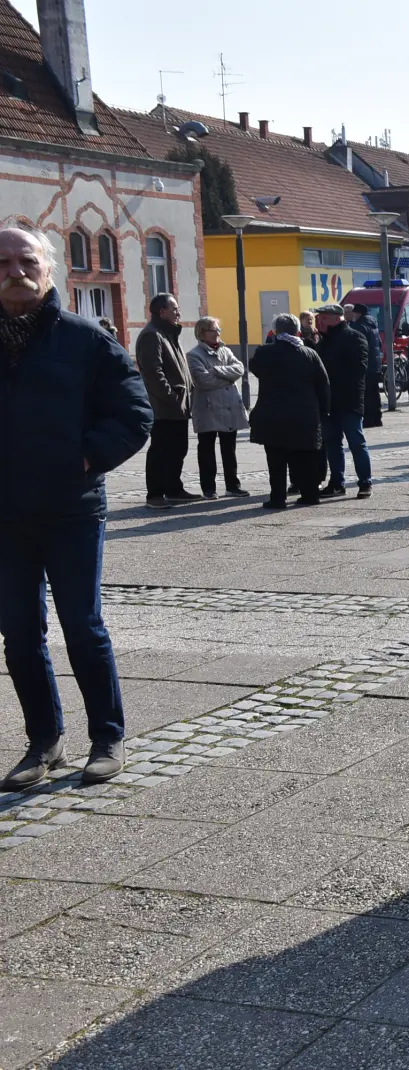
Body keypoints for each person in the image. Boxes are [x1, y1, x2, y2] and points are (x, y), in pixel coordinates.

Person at [0, 226, 152, 790]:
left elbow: (134, 413)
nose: (15, 270)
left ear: (48, 269)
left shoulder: (84, 338)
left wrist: (85, 459)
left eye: (26, 260)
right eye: (3, 262)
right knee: (18, 633)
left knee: (82, 626)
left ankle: (106, 736)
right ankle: (44, 742)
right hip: (5, 516)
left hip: (70, 509)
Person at [249, 315, 330, 509]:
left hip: (273, 415)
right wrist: (324, 410)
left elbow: (254, 367)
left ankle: (278, 498)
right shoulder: (309, 353)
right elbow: (323, 383)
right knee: (306, 457)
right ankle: (310, 495)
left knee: (276, 459)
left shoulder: (265, 352)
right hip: (305, 415)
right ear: (297, 331)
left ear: (276, 331)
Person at [135, 292, 197, 508]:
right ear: (162, 312)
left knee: (178, 449)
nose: (178, 312)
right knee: (161, 451)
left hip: (178, 405)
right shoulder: (152, 335)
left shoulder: (169, 333)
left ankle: (173, 489)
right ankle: (155, 494)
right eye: (174, 309)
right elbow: (154, 373)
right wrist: (171, 397)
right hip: (164, 406)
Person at [313, 303, 372, 499]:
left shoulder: (355, 337)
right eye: (318, 318)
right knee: (332, 444)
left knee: (356, 442)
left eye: (323, 318)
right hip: (328, 403)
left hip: (349, 401)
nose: (319, 322)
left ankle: (365, 482)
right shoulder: (322, 342)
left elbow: (359, 370)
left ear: (337, 318)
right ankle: (337, 483)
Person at [187, 316, 250, 499]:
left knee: (229, 449)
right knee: (206, 449)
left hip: (229, 406)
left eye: (218, 330)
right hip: (208, 408)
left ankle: (233, 485)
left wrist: (217, 371)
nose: (218, 334)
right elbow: (202, 380)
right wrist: (227, 375)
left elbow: (239, 369)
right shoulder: (194, 355)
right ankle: (208, 488)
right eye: (214, 330)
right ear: (202, 333)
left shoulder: (225, 351)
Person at [347, 304, 385, 429]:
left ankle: (368, 420)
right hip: (376, 364)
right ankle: (377, 418)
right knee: (375, 393)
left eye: (354, 313)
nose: (352, 315)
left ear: (358, 313)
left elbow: (356, 345)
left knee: (366, 394)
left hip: (366, 365)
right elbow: (379, 343)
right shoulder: (373, 325)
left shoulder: (359, 326)